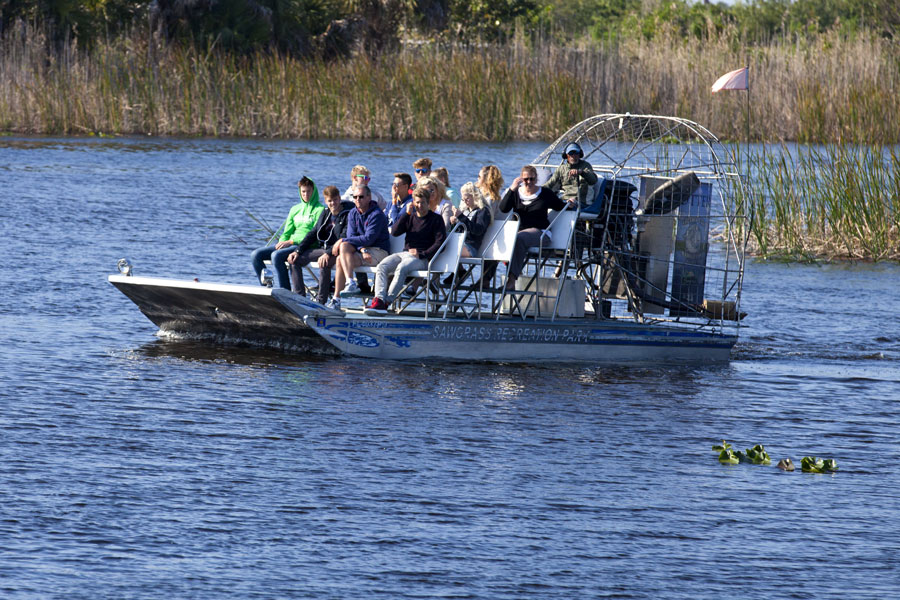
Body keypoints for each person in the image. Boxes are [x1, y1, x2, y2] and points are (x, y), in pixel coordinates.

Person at [364, 187, 447, 315]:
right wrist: (406, 214)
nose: (419, 206)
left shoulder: (436, 219)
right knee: (382, 266)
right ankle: (379, 300)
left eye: (422, 203)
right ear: (413, 202)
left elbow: (440, 244)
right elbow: (396, 232)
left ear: (428, 202)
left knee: (402, 268)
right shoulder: (410, 217)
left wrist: (422, 254)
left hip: (421, 259)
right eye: (417, 202)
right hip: (404, 253)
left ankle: (386, 302)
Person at [498, 165, 570, 291]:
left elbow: (560, 206)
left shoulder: (545, 193)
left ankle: (511, 281)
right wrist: (512, 189)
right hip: (519, 233)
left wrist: (570, 203)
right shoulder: (516, 193)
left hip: (541, 233)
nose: (529, 182)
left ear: (536, 179)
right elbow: (503, 208)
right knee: (500, 238)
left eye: (532, 179)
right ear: (521, 179)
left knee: (518, 239)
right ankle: (485, 280)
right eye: (526, 179)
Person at [251, 176, 325, 290]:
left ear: (314, 191)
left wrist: (291, 241)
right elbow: (287, 232)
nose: (306, 195)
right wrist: (281, 243)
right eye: (303, 192)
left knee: (276, 256)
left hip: (306, 246)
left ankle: (284, 291)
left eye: (309, 191)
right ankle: (266, 288)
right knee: (256, 255)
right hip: (290, 244)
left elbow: (314, 235)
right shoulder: (295, 209)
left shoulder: (320, 210)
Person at [286, 186, 354, 303]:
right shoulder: (325, 213)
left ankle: (321, 301)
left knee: (324, 263)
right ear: (325, 201)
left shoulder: (347, 214)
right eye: (329, 201)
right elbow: (313, 233)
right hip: (322, 249)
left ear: (339, 198)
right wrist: (297, 251)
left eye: (335, 200)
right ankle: (300, 298)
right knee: (294, 261)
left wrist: (328, 253)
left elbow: (345, 236)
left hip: (338, 251)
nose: (333, 203)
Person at [327, 184, 390, 310]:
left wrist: (342, 240)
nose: (357, 200)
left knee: (343, 247)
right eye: (354, 197)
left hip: (379, 251)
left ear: (368, 197)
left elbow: (369, 238)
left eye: (361, 197)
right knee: (341, 256)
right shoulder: (353, 213)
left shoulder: (376, 214)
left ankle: (344, 290)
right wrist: (362, 249)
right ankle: (341, 294)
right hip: (364, 250)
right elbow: (352, 235)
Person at [543, 141, 598, 207]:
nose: (574, 156)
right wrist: (536, 190)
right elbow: (549, 184)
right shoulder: (561, 168)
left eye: (576, 153)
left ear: (580, 154)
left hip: (582, 202)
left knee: (569, 204)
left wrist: (581, 172)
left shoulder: (586, 166)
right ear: (566, 155)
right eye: (571, 153)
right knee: (543, 203)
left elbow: (593, 180)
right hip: (565, 200)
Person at [450, 182, 492, 258]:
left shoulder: (483, 211)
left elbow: (478, 230)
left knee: (448, 251)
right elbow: (461, 229)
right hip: (460, 242)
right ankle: (460, 270)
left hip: (470, 247)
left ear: (475, 196)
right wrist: (454, 223)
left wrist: (461, 217)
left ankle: (459, 270)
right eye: (463, 200)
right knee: (440, 247)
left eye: (467, 199)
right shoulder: (466, 210)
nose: (465, 202)